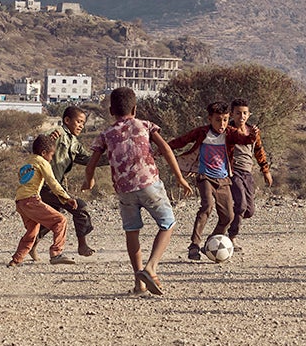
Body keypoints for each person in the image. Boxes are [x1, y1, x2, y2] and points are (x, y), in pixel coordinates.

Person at [83, 86, 191, 296]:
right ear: (134, 109)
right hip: (149, 184)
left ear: (111, 111)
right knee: (168, 224)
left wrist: (90, 181)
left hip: (124, 191)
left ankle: (139, 284)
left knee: (132, 231)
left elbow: (91, 164)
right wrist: (179, 178)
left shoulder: (105, 134)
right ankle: (151, 267)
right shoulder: (146, 125)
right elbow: (166, 149)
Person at [169, 101, 237, 260]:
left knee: (228, 216)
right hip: (205, 176)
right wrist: (164, 147)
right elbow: (182, 140)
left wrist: (252, 134)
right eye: (218, 120)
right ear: (210, 119)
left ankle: (212, 242)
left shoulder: (230, 134)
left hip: (224, 178)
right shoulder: (202, 132)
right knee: (207, 205)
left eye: (226, 120)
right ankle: (194, 245)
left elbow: (246, 137)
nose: (222, 124)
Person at [11, 134, 79, 266]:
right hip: (31, 200)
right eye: (51, 155)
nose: (52, 158)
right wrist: (67, 198)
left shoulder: (28, 162)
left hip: (20, 202)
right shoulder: (42, 162)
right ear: (44, 153)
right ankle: (56, 253)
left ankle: (16, 259)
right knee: (60, 220)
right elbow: (53, 182)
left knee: (33, 229)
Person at [41, 106, 97, 257]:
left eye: (83, 123)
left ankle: (30, 246)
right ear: (67, 120)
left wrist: (113, 157)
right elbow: (42, 142)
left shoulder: (74, 143)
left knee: (53, 217)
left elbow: (89, 160)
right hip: (47, 185)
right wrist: (49, 138)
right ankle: (82, 245)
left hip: (56, 186)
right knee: (80, 208)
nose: (81, 126)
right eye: (78, 122)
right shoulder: (58, 134)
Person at [223, 99, 275, 249]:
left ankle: (229, 217)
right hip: (233, 172)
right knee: (240, 205)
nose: (242, 116)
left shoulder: (252, 131)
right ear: (232, 114)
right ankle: (232, 237)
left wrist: (266, 171)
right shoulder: (227, 131)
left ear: (249, 114)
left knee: (249, 210)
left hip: (247, 173)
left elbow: (259, 151)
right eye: (238, 113)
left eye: (245, 113)